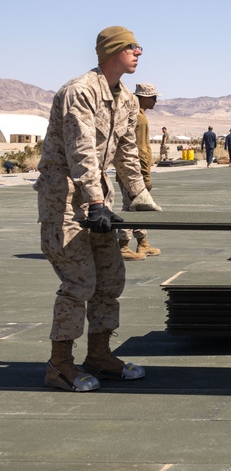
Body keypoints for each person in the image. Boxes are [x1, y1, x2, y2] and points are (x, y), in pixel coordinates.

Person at [35, 25, 162, 392]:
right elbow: (81, 149)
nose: (139, 53)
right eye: (133, 47)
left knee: (110, 279)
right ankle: (59, 365)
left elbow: (125, 151)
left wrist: (140, 197)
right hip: (65, 202)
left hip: (97, 203)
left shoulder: (125, 98)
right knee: (80, 283)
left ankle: (99, 356)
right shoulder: (80, 91)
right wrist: (94, 201)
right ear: (113, 50)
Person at [116, 83, 162, 261]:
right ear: (143, 98)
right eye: (153, 97)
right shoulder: (139, 118)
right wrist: (145, 175)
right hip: (134, 171)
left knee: (137, 207)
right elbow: (141, 149)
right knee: (130, 208)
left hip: (130, 169)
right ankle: (123, 246)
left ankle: (143, 243)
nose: (156, 101)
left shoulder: (135, 114)